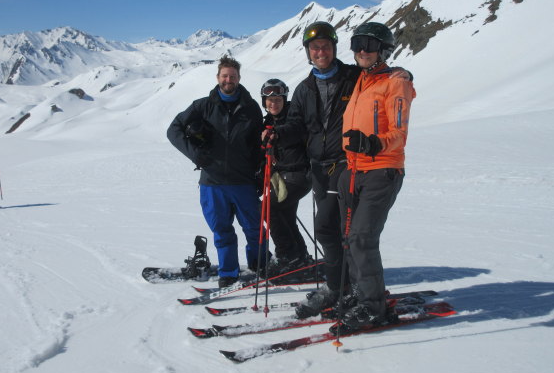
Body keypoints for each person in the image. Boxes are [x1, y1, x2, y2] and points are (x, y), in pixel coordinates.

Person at [266, 21, 412, 319]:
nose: (320, 52)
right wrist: (278, 133)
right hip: (319, 168)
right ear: (308, 52)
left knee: (333, 229)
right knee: (336, 232)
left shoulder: (353, 76)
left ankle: (339, 287)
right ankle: (345, 286)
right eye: (314, 48)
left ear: (334, 48)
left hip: (346, 164)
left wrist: (403, 74)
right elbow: (297, 124)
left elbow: (386, 77)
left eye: (325, 46)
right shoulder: (305, 88)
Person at [331, 22, 416, 333]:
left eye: (368, 43)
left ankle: (374, 307)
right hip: (352, 170)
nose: (362, 50)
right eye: (357, 43)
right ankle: (360, 292)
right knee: (348, 238)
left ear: (383, 49)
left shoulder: (395, 83)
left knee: (362, 238)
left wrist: (372, 143)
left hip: (382, 169)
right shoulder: (362, 80)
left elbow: (399, 131)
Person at [167, 55, 266, 288]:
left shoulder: (251, 108)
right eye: (225, 76)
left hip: (243, 181)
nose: (228, 80)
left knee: (254, 228)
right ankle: (228, 272)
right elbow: (174, 129)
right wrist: (194, 153)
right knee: (222, 230)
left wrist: (260, 174)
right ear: (218, 78)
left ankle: (260, 265)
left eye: (232, 76)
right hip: (213, 182)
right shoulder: (203, 106)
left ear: (239, 78)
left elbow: (258, 146)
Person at [259, 79, 312, 272]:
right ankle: (300, 256)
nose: (274, 103)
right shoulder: (267, 122)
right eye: (270, 100)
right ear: (264, 101)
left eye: (278, 99)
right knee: (286, 216)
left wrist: (276, 135)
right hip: (282, 178)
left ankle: (287, 255)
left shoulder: (293, 117)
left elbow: (295, 130)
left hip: (299, 175)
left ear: (285, 100)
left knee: (267, 207)